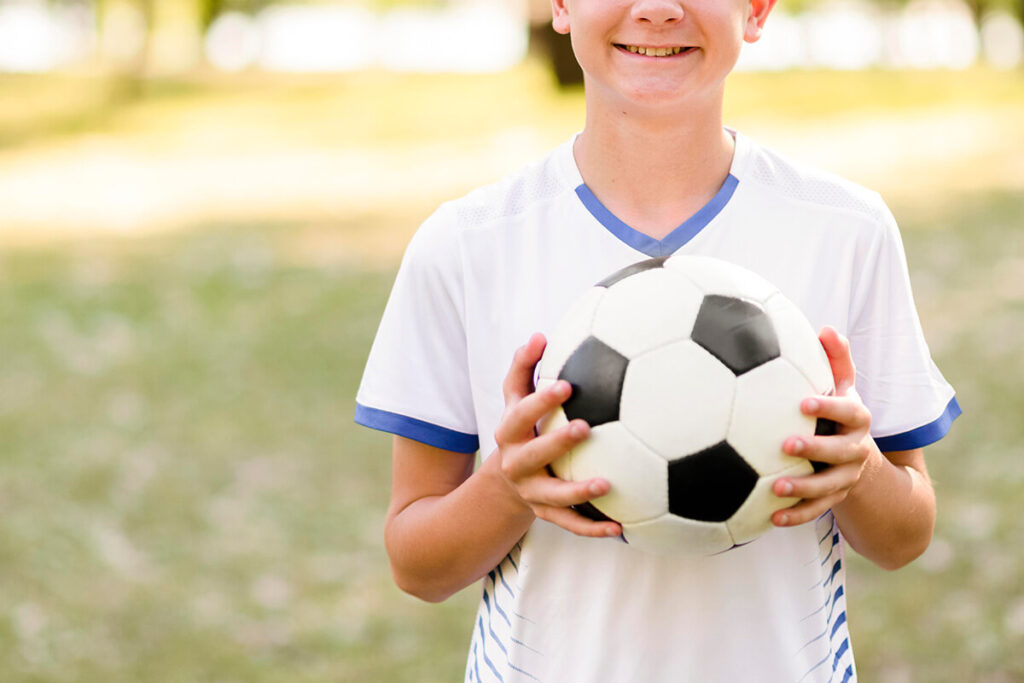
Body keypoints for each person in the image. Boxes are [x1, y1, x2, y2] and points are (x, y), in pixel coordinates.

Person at [354, 0, 961, 680]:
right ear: (559, 5)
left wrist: (862, 472)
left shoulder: (846, 229)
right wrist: (505, 485)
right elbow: (417, 565)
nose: (657, 10)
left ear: (756, 10)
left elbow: (906, 535)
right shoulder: (466, 244)